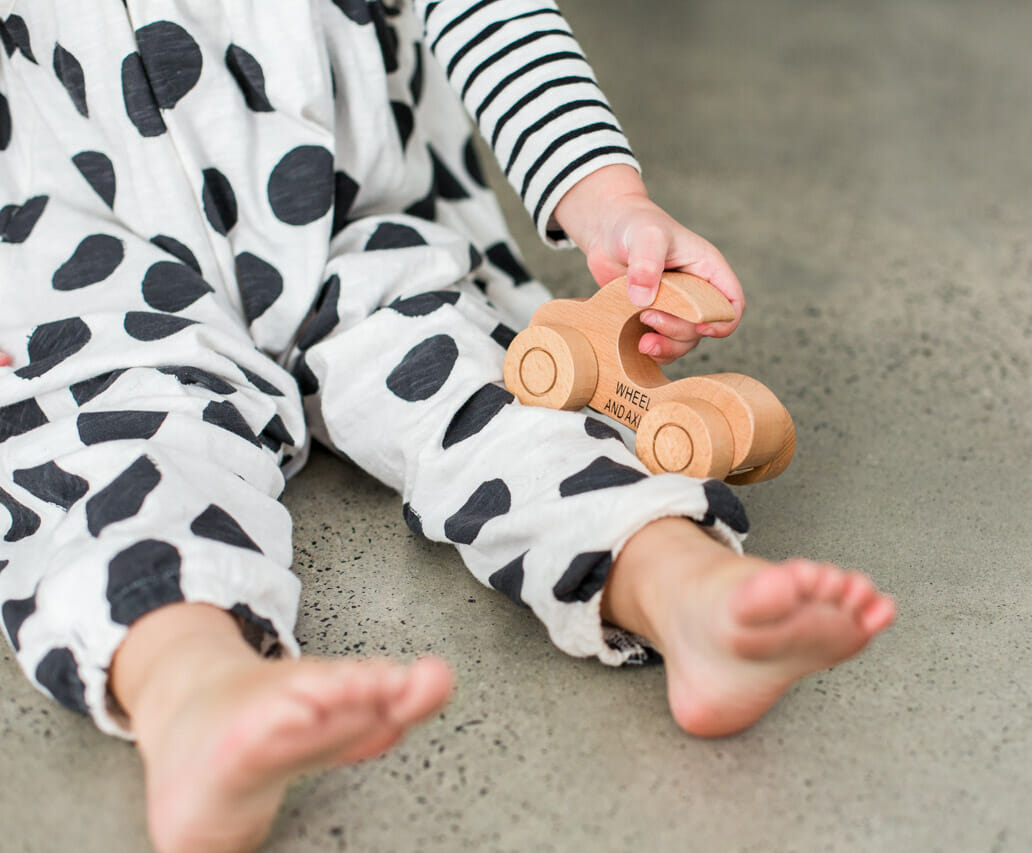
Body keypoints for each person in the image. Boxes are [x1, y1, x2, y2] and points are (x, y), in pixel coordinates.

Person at [0, 2, 895, 850]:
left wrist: (606, 198)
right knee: (115, 457)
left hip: (355, 234)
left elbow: (488, 13)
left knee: (495, 391)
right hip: (95, 277)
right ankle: (195, 693)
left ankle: (681, 586)